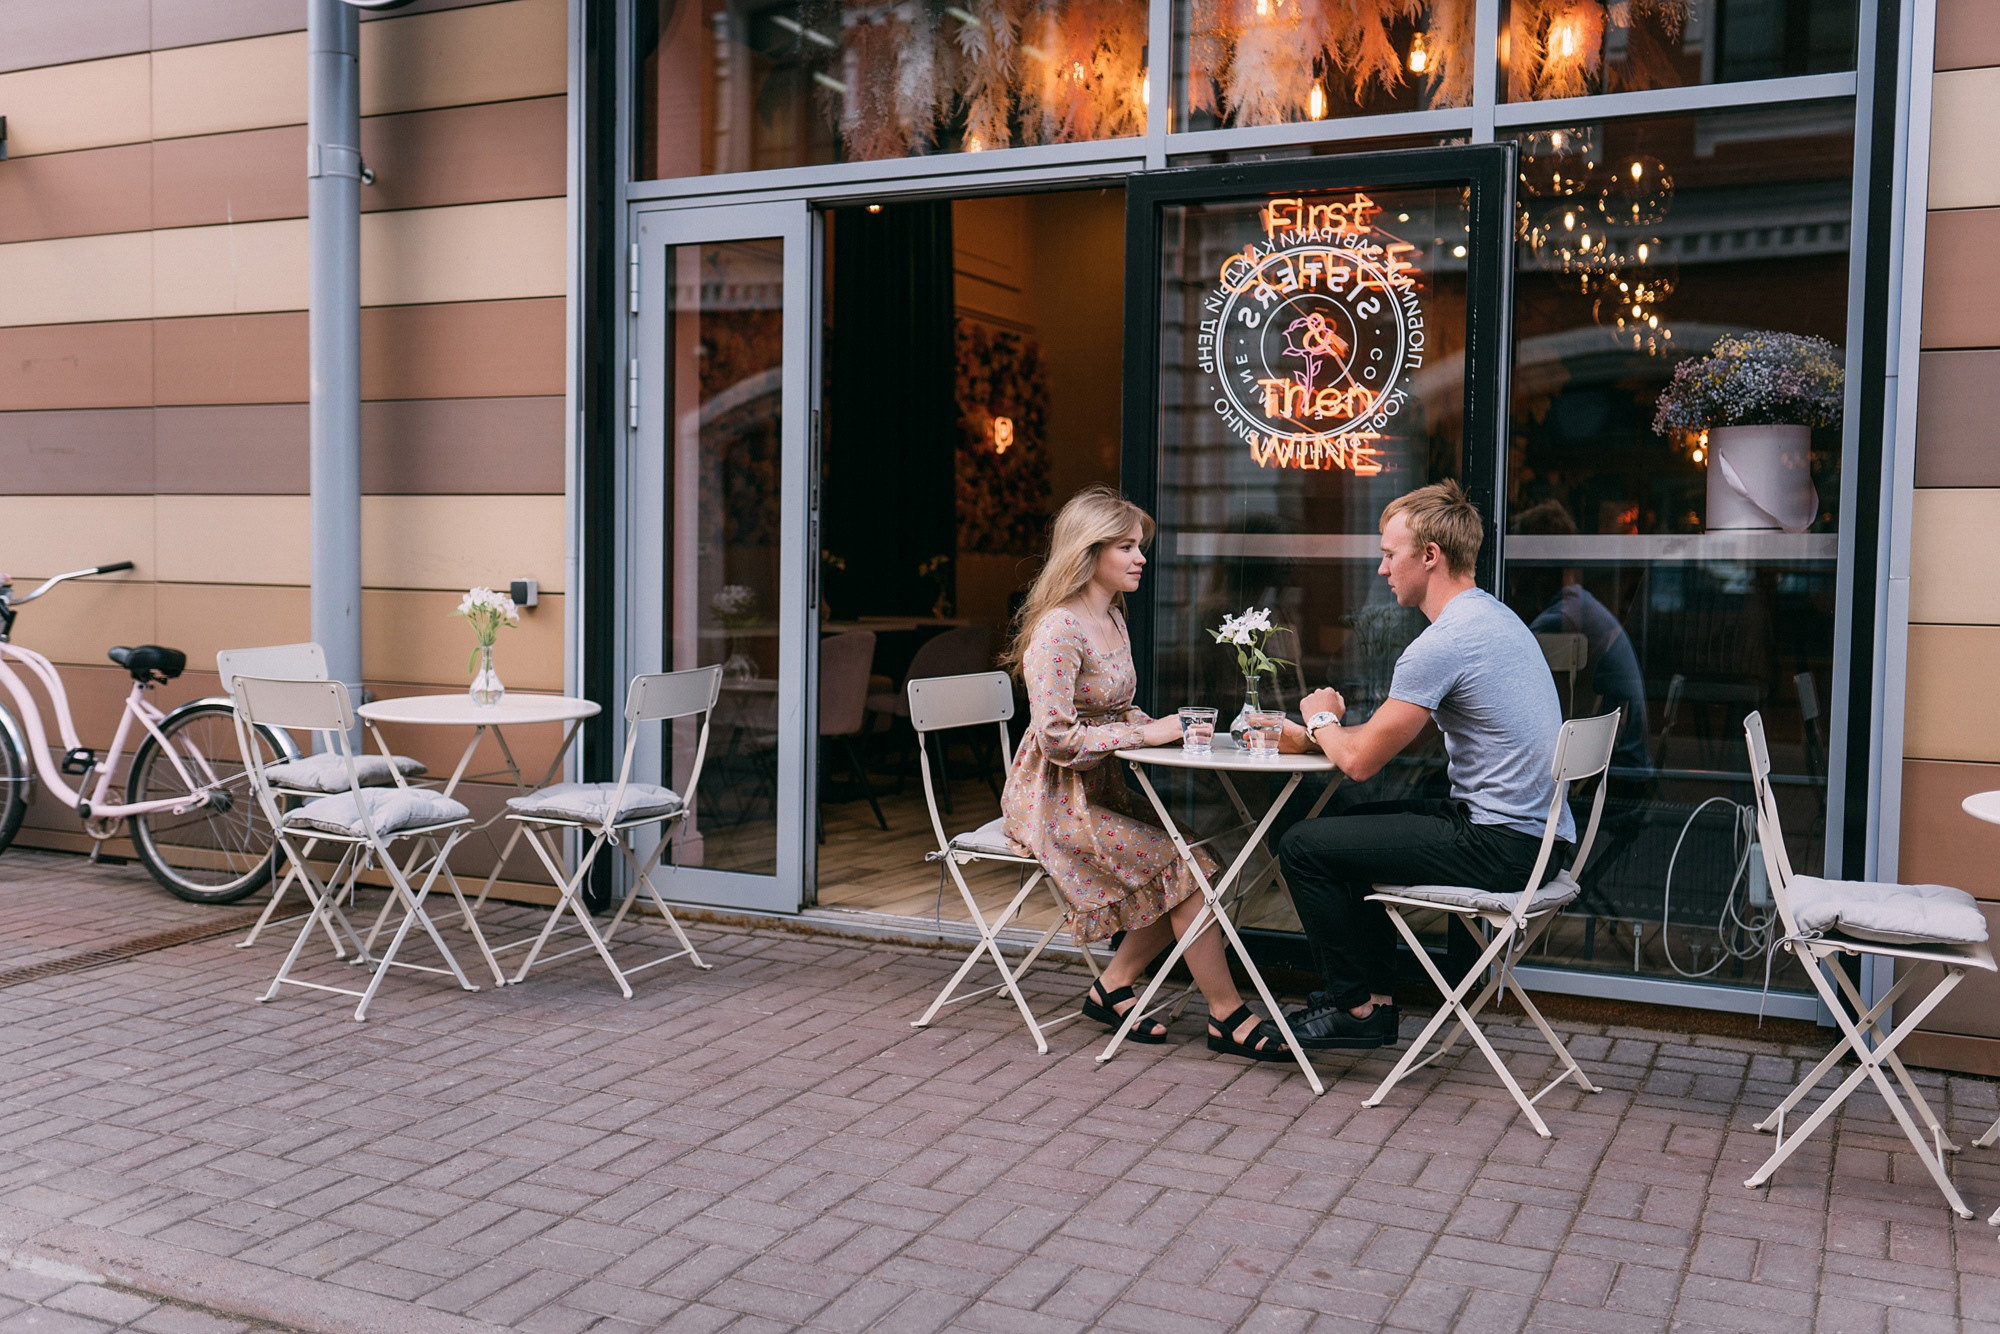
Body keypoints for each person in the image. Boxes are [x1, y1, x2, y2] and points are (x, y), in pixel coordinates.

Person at [1275, 480, 1574, 1049]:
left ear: (1430, 555)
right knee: (1348, 829)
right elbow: (1393, 741)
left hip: (1501, 846)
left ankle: (1353, 1007)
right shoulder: (1494, 618)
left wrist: (1320, 720)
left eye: (1391, 554)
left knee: (1301, 845)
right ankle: (1375, 1002)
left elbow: (1360, 763)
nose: (1383, 569)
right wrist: (1323, 739)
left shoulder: (1445, 642)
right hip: (1538, 839)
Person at [1001, 485, 1288, 1062]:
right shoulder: (1059, 628)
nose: (1141, 559)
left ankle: (1112, 987)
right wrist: (1144, 735)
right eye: (1127, 547)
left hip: (1101, 788)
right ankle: (1227, 1014)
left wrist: (1159, 725)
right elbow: (1057, 739)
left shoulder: (1111, 615)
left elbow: (1116, 710)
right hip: (1054, 800)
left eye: (1140, 547)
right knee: (1188, 869)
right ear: (1088, 552)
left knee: (1193, 860)